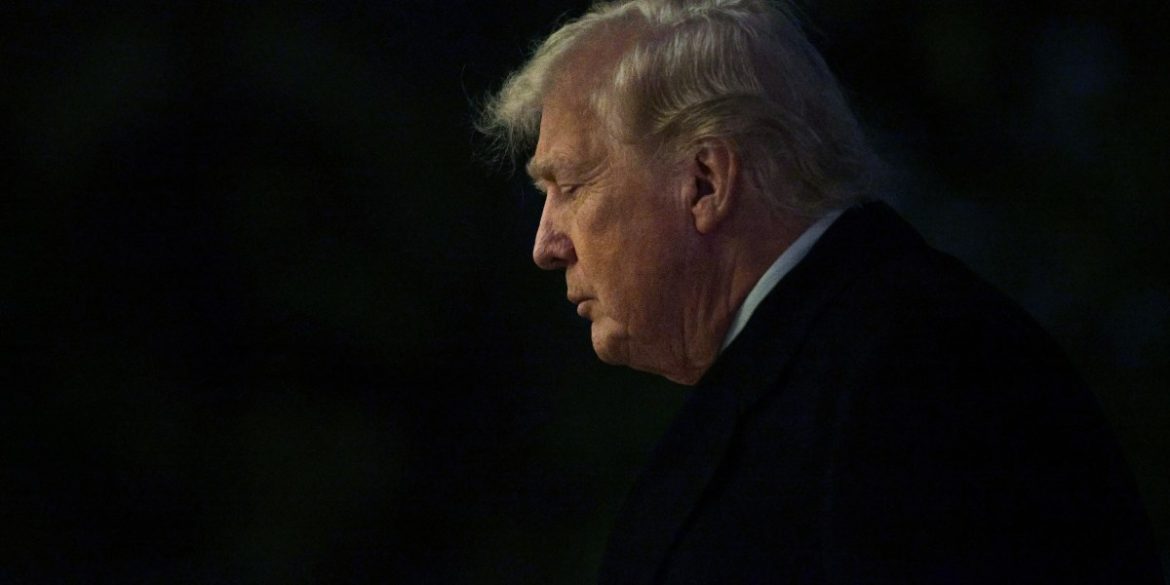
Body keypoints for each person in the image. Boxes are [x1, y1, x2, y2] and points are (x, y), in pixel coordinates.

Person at [478, 0, 1162, 582]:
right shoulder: (851, 363)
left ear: (706, 182)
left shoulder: (920, 370)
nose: (545, 245)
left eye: (571, 186)